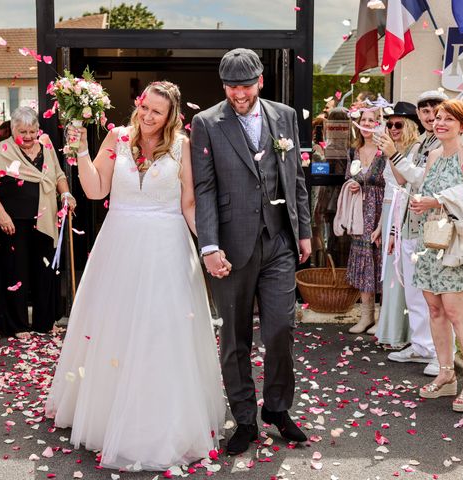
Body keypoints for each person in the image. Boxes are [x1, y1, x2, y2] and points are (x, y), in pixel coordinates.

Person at [46, 81, 224, 470]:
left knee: (162, 330)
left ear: (171, 117)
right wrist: (78, 151)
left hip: (167, 246)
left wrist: (209, 248)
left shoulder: (183, 146)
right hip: (120, 244)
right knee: (116, 327)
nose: (147, 116)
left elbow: (189, 204)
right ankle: (108, 415)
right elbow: (95, 190)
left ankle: (159, 419)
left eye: (156, 112)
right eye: (144, 107)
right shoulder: (117, 136)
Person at [191, 48, 311, 455]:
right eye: (231, 87)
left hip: (279, 242)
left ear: (261, 81)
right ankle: (244, 419)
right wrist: (209, 246)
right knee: (235, 338)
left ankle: (277, 409)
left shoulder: (285, 116)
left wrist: (305, 233)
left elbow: (295, 178)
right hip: (230, 245)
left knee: (281, 329)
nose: (238, 95)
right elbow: (204, 188)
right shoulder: (206, 123)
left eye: (245, 86)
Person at [411, 99, 463, 412]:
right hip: (432, 243)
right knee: (435, 310)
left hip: (458, 246)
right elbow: (427, 192)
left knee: (457, 312)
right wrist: (423, 203)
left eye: (448, 119)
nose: (440, 123)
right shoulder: (432, 156)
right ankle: (446, 374)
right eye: (438, 118)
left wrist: (435, 201)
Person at [0, 107, 74, 339]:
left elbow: (59, 175)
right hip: (13, 222)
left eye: (33, 130)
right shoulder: (4, 149)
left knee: (45, 271)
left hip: (45, 219)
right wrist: (2, 215)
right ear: (12, 130)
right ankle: (17, 325)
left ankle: (45, 322)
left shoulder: (46, 145)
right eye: (23, 131)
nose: (29, 136)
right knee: (16, 273)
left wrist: (66, 195)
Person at [378, 90, 448, 376]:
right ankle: (421, 345)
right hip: (409, 223)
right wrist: (390, 153)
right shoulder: (420, 145)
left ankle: (439, 352)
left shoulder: (443, 144)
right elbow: (401, 181)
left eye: (435, 111)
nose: (430, 116)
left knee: (435, 295)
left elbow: (423, 180)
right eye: (425, 111)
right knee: (415, 295)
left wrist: (393, 153)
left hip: (432, 228)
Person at [371, 102, 420, 340]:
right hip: (389, 210)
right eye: (389, 124)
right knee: (390, 274)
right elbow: (388, 192)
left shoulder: (412, 151)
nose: (392, 128)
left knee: (399, 275)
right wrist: (381, 226)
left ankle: (402, 333)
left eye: (398, 124)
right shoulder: (396, 148)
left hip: (403, 213)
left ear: (410, 125)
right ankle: (389, 330)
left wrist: (392, 153)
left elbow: (401, 181)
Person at [343, 108, 386, 334]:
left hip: (380, 209)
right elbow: (348, 177)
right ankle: (366, 315)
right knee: (363, 262)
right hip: (360, 212)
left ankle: (382, 317)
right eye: (364, 120)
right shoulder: (354, 150)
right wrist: (352, 184)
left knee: (380, 262)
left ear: (379, 124)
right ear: (359, 124)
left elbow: (393, 182)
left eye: (372, 120)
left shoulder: (385, 151)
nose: (367, 123)